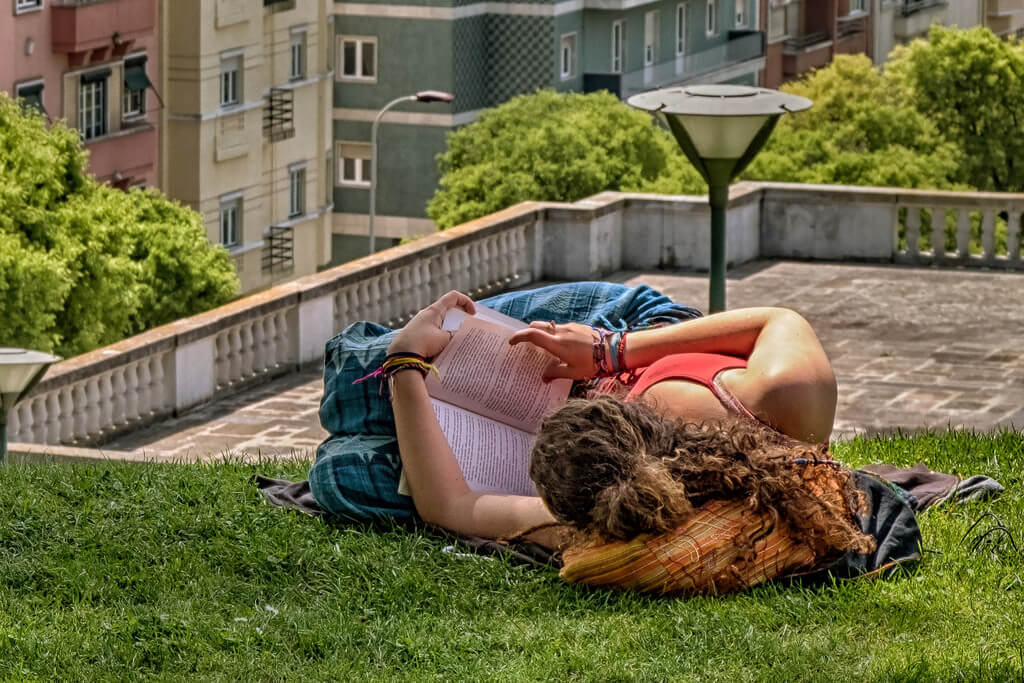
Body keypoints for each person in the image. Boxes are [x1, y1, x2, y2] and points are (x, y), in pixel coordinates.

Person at [381, 289, 873, 562]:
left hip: (540, 427)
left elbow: (449, 505)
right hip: (637, 334)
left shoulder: (612, 517)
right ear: (630, 416)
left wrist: (403, 360)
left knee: (350, 423)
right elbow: (777, 319)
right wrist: (608, 351)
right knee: (377, 355)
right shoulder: (782, 398)